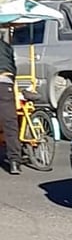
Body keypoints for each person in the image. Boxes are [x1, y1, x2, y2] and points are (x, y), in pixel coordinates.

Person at [0, 32, 19, 174]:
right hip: (6, 83)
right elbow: (12, 67)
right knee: (10, 124)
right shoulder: (7, 47)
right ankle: (14, 162)